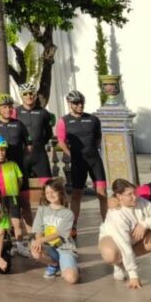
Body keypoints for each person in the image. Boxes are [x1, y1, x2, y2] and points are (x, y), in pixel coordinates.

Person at [98, 178, 151, 288]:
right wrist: (133, 276)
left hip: (135, 241)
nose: (135, 197)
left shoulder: (141, 202)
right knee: (111, 254)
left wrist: (145, 224)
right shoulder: (116, 213)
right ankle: (119, 264)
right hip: (116, 243)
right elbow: (124, 244)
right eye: (130, 194)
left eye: (135, 193)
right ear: (119, 196)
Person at [56, 90, 108, 230]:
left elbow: (97, 138)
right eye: (76, 103)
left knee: (102, 194)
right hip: (78, 162)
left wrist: (91, 150)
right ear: (70, 104)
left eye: (82, 103)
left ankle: (107, 225)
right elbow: (61, 141)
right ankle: (73, 226)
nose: (80, 105)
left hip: (94, 160)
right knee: (77, 194)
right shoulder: (64, 121)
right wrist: (72, 154)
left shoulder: (93, 119)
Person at [15, 84, 54, 220]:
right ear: (21, 96)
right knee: (21, 191)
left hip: (39, 154)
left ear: (35, 95)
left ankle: (50, 219)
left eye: (31, 93)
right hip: (22, 155)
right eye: (25, 94)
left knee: (49, 188)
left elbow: (49, 133)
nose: (29, 96)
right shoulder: (16, 112)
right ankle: (25, 224)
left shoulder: (43, 112)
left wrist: (39, 143)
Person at [0, 134, 28, 253]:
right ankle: (7, 244)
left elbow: (20, 179)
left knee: (16, 221)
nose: (1, 153)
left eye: (3, 150)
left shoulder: (13, 164)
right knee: (2, 222)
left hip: (12, 196)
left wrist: (15, 190)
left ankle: (20, 245)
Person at [30, 177, 79, 283]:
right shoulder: (42, 209)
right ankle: (54, 264)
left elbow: (59, 233)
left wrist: (40, 240)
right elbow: (39, 229)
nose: (50, 195)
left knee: (71, 279)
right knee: (35, 251)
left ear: (60, 192)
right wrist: (39, 242)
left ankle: (70, 265)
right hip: (49, 248)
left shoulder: (68, 213)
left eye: (53, 192)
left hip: (64, 248)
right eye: (47, 193)